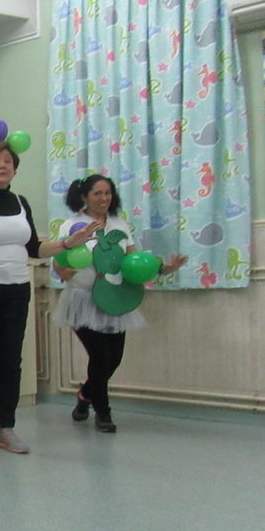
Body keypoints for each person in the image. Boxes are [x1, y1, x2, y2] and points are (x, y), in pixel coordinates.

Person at [0, 142, 100, 455]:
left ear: (14, 168)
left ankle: (6, 428)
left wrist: (68, 243)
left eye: (7, 161)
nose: (2, 165)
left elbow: (34, 249)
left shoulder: (20, 202)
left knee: (11, 359)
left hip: (16, 288)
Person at [53, 175, 186, 432]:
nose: (104, 198)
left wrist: (163, 269)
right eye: (97, 193)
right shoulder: (72, 224)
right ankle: (103, 413)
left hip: (114, 297)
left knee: (114, 358)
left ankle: (85, 395)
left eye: (108, 193)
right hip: (82, 299)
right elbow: (60, 258)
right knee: (100, 356)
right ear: (84, 196)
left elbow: (134, 263)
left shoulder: (119, 225)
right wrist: (63, 270)